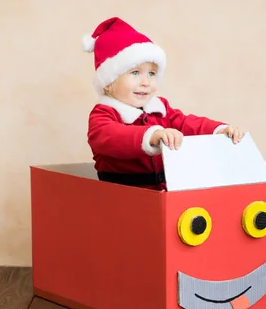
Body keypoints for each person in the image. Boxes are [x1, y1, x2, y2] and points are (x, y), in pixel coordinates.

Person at [83, 17, 244, 190]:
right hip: (123, 198)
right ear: (108, 81)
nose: (146, 82)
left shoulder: (160, 110)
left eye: (151, 74)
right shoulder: (103, 114)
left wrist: (219, 129)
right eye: (135, 72)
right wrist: (151, 135)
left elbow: (186, 123)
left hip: (163, 195)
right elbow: (112, 137)